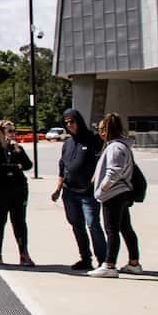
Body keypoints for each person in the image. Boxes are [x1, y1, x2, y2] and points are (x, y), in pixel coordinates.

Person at [51, 108, 106, 270]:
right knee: (77, 225)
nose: (69, 125)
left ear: (79, 121)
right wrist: (58, 189)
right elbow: (63, 167)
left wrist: (94, 182)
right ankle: (85, 258)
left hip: (88, 194)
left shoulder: (93, 139)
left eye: (72, 121)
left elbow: (101, 163)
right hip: (69, 192)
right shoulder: (67, 143)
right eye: (66, 123)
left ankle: (104, 260)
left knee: (93, 224)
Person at [88, 113, 142, 278]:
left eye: (101, 129)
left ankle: (109, 264)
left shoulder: (115, 147)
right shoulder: (120, 145)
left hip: (114, 193)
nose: (99, 132)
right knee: (125, 228)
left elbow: (114, 171)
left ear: (107, 130)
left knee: (111, 229)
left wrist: (103, 188)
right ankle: (134, 263)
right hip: (122, 192)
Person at [0, 120, 34, 267]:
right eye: (9, 131)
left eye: (13, 131)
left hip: (18, 189)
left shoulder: (16, 148)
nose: (12, 134)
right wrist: (16, 166)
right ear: (0, 132)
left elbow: (28, 165)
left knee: (19, 221)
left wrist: (18, 152)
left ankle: (24, 254)